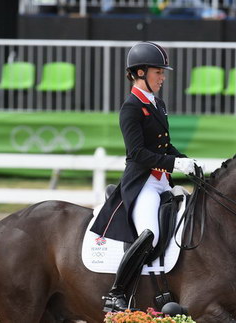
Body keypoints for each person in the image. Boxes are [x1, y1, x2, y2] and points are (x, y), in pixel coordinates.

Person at [90, 41, 199, 312]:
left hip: (163, 181)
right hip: (143, 185)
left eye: (162, 73)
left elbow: (163, 146)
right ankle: (117, 294)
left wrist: (186, 161)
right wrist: (175, 164)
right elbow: (138, 153)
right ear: (140, 73)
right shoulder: (131, 108)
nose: (163, 78)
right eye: (158, 72)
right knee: (149, 234)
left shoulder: (157, 104)